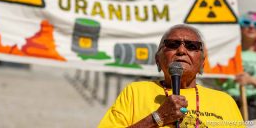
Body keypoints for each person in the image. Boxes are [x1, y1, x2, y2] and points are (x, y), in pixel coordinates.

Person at [98, 24, 243, 127]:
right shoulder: (135, 92)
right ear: (157, 60)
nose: (181, 50)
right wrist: (158, 117)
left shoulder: (224, 101)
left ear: (202, 64)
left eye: (191, 46)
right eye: (172, 44)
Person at [219, 11, 256, 120]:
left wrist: (250, 80)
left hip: (252, 105)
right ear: (239, 27)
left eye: (255, 24)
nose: (251, 26)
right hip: (230, 102)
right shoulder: (229, 53)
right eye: (246, 22)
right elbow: (219, 79)